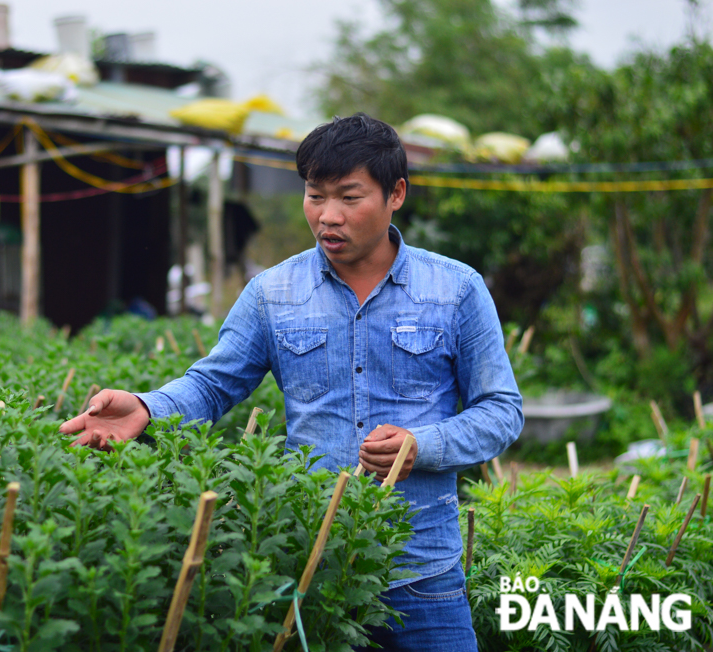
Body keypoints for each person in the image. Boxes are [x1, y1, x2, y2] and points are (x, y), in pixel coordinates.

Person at [60, 113, 523, 651]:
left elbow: (501, 409)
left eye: (349, 198)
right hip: (314, 572)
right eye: (315, 195)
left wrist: (424, 445)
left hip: (422, 572)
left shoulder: (456, 289)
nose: (328, 216)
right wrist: (147, 407)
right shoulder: (272, 293)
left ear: (396, 193)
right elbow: (212, 385)